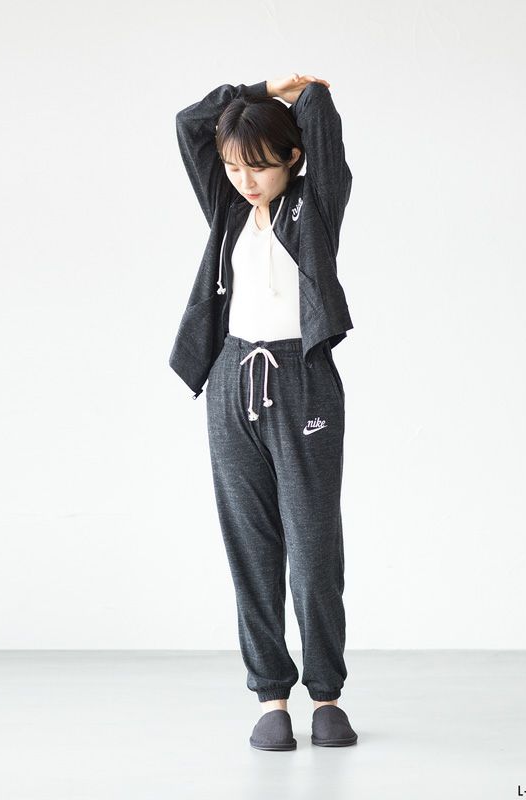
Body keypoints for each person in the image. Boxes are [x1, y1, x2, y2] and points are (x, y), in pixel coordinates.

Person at [169, 73, 358, 750]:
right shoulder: (226, 208)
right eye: (233, 167)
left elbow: (323, 126)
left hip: (302, 383)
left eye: (260, 166)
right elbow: (190, 125)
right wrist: (256, 90)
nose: (245, 180)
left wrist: (302, 94)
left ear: (293, 158)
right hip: (230, 381)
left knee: (312, 550)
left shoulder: (315, 204)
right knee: (250, 547)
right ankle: (271, 698)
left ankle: (326, 696)